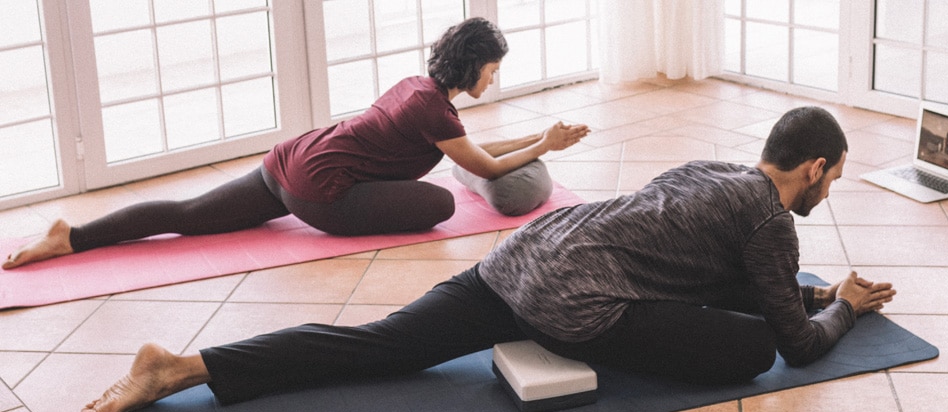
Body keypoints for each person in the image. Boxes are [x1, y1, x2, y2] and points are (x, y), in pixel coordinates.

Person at [79, 106, 896, 412]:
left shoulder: (710, 172)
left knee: (380, 343)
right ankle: (182, 368)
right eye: (834, 176)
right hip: (574, 303)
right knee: (752, 347)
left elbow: (709, 268)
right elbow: (797, 346)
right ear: (816, 166)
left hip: (522, 259)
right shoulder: (770, 222)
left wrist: (810, 291)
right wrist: (844, 307)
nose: (830, 188)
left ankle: (184, 365)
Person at [2, 17, 590, 270]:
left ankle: (72, 237)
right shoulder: (434, 110)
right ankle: (71, 238)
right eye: (493, 69)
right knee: (438, 203)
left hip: (288, 161)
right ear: (474, 66)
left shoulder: (419, 89)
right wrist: (547, 144)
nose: (495, 79)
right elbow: (484, 164)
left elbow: (473, 147)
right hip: (319, 194)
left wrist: (540, 138)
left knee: (191, 214)